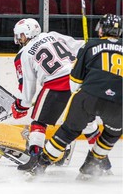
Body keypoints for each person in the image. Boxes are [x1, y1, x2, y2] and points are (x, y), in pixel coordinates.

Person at [22, 14, 122, 179]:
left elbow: (75, 82)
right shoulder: (54, 35)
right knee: (108, 133)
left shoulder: (90, 46)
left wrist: (79, 97)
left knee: (67, 130)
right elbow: (74, 45)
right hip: (119, 101)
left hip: (83, 92)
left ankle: (39, 164)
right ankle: (98, 165)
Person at [10, 18, 103, 170]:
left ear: (26, 34)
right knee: (87, 122)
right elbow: (80, 47)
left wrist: (22, 105)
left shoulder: (25, 53)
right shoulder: (53, 35)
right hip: (78, 80)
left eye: (20, 36)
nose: (19, 40)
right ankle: (101, 160)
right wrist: (91, 45)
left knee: (38, 123)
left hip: (55, 84)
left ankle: (35, 160)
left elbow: (28, 83)